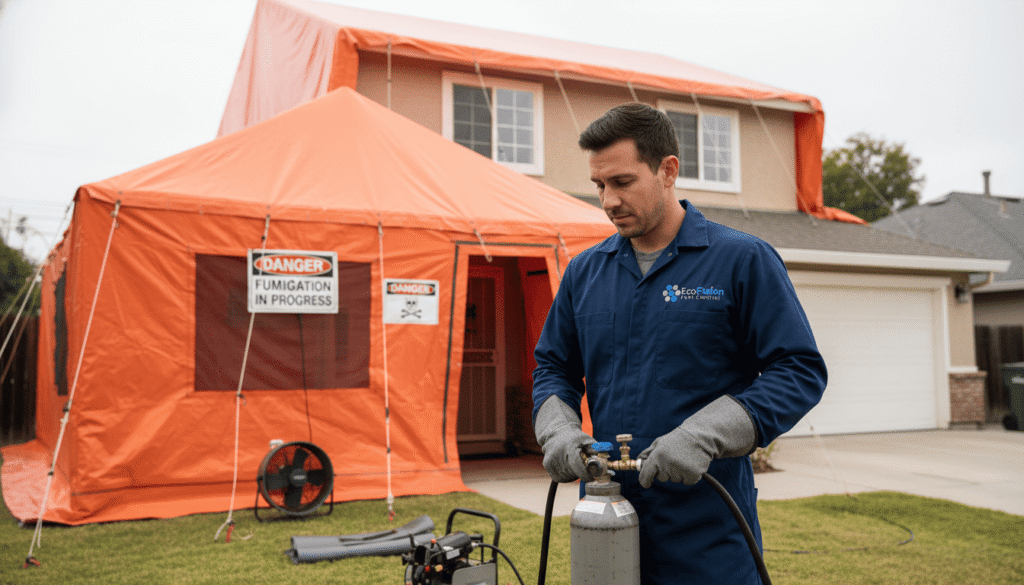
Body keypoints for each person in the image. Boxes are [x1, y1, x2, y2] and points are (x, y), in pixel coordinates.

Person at [532, 103, 827, 584]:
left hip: (708, 533)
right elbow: (553, 368)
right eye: (599, 185)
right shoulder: (585, 272)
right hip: (605, 519)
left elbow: (798, 370)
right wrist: (559, 431)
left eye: (623, 182)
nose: (608, 201)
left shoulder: (741, 260)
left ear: (668, 170)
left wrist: (703, 434)